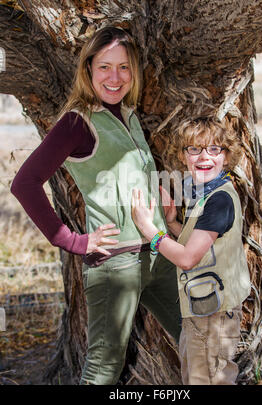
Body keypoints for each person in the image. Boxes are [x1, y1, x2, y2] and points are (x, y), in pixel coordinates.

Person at [11, 26, 181, 385]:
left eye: (123, 67)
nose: (114, 77)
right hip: (115, 263)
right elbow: (24, 184)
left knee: (197, 338)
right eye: (104, 67)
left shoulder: (128, 116)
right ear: (88, 69)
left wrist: (160, 208)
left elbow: (124, 178)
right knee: (103, 371)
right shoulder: (78, 122)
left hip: (156, 252)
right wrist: (73, 240)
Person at [131, 119, 251, 385]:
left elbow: (187, 258)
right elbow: (199, 247)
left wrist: (149, 229)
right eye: (194, 149)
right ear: (184, 156)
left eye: (214, 149)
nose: (204, 157)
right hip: (202, 309)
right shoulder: (209, 193)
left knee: (207, 380)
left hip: (213, 315)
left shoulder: (219, 200)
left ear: (227, 156)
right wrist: (173, 223)